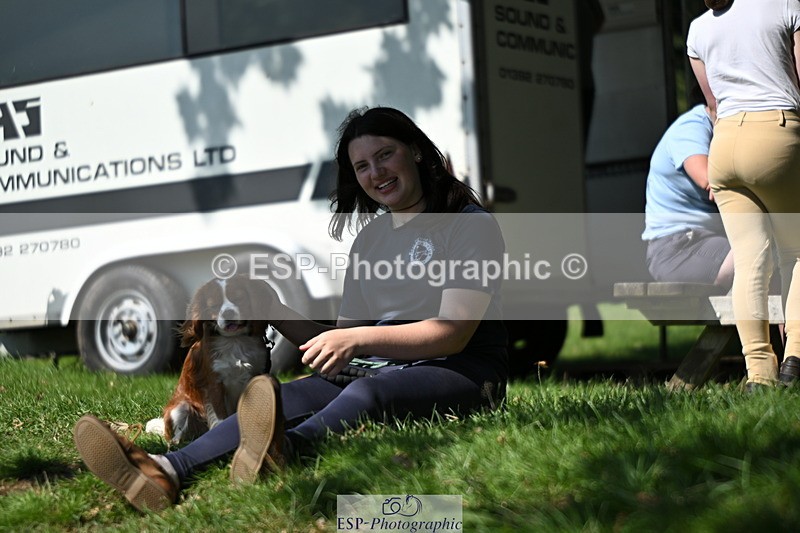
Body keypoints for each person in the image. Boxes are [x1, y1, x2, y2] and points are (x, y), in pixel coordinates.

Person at [72, 106, 509, 511]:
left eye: (385, 155)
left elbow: (452, 333)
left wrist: (358, 339)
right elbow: (340, 341)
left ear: (414, 150)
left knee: (364, 395)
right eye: (362, 166)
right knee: (286, 393)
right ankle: (166, 470)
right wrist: (275, 310)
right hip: (378, 368)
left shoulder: (469, 224)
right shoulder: (371, 240)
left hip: (461, 370)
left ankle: (283, 451)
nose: (376, 173)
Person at [687, 0, 800, 390]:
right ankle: (795, 356)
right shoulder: (786, 6)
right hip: (776, 133)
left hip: (724, 145)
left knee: (750, 259)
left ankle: (758, 374)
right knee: (796, 252)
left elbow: (712, 104)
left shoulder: (698, 29)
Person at [642, 84, 734, 290]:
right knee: (758, 255)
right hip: (679, 248)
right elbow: (710, 181)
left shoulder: (726, 131)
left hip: (709, 239)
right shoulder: (691, 127)